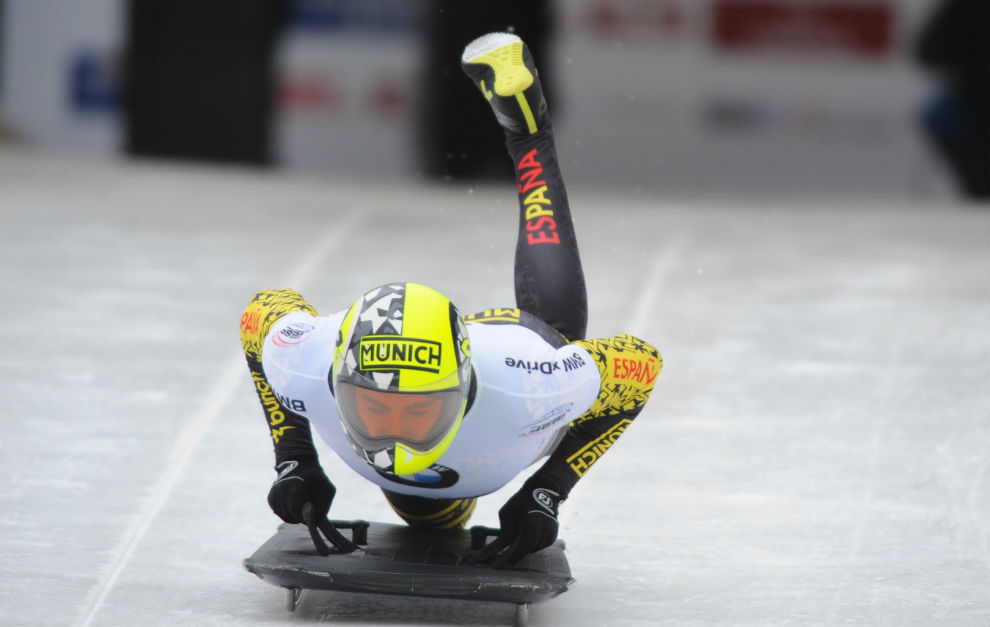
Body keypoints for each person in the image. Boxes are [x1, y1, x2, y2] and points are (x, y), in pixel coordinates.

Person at [239, 32, 663, 567]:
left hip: (511, 347)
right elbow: (639, 362)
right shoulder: (307, 358)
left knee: (559, 334)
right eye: (374, 407)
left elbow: (642, 364)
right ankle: (526, 136)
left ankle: (527, 137)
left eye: (417, 411)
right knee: (561, 341)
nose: (396, 441)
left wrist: (295, 458)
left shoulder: (530, 381)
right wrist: (547, 490)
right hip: (496, 362)